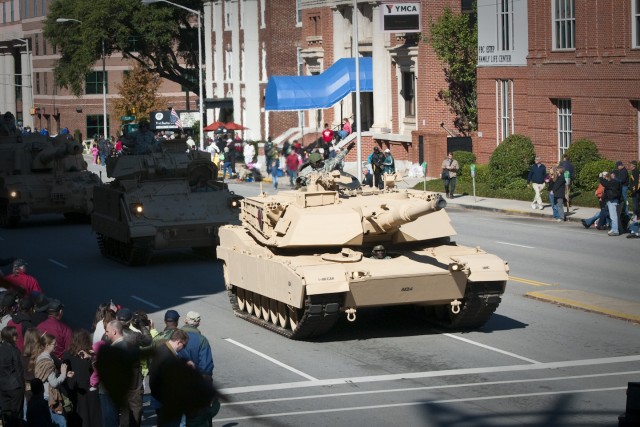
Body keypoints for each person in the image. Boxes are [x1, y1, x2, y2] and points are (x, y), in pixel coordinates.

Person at [33, 332, 74, 427]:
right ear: (47, 345)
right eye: (54, 344)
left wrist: (65, 375)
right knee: (61, 423)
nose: (56, 345)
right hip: (49, 397)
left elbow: (49, 377)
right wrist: (63, 374)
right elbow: (54, 383)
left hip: (44, 395)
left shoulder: (41, 357)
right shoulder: (47, 362)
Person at [64, 329, 101, 427]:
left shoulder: (67, 355)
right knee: (93, 417)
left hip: (75, 390)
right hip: (90, 390)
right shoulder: (90, 355)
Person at [0, 326, 25, 426]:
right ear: (12, 337)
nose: (17, 337)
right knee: (16, 414)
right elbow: (19, 370)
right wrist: (22, 386)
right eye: (15, 335)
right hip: (15, 386)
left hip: (2, 386)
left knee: (6, 412)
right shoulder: (15, 351)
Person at [599, 169, 623, 236]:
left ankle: (615, 230)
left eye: (605, 177)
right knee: (611, 214)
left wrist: (600, 176)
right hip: (613, 200)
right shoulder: (616, 182)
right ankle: (614, 228)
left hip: (612, 200)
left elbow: (604, 183)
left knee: (613, 216)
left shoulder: (613, 182)